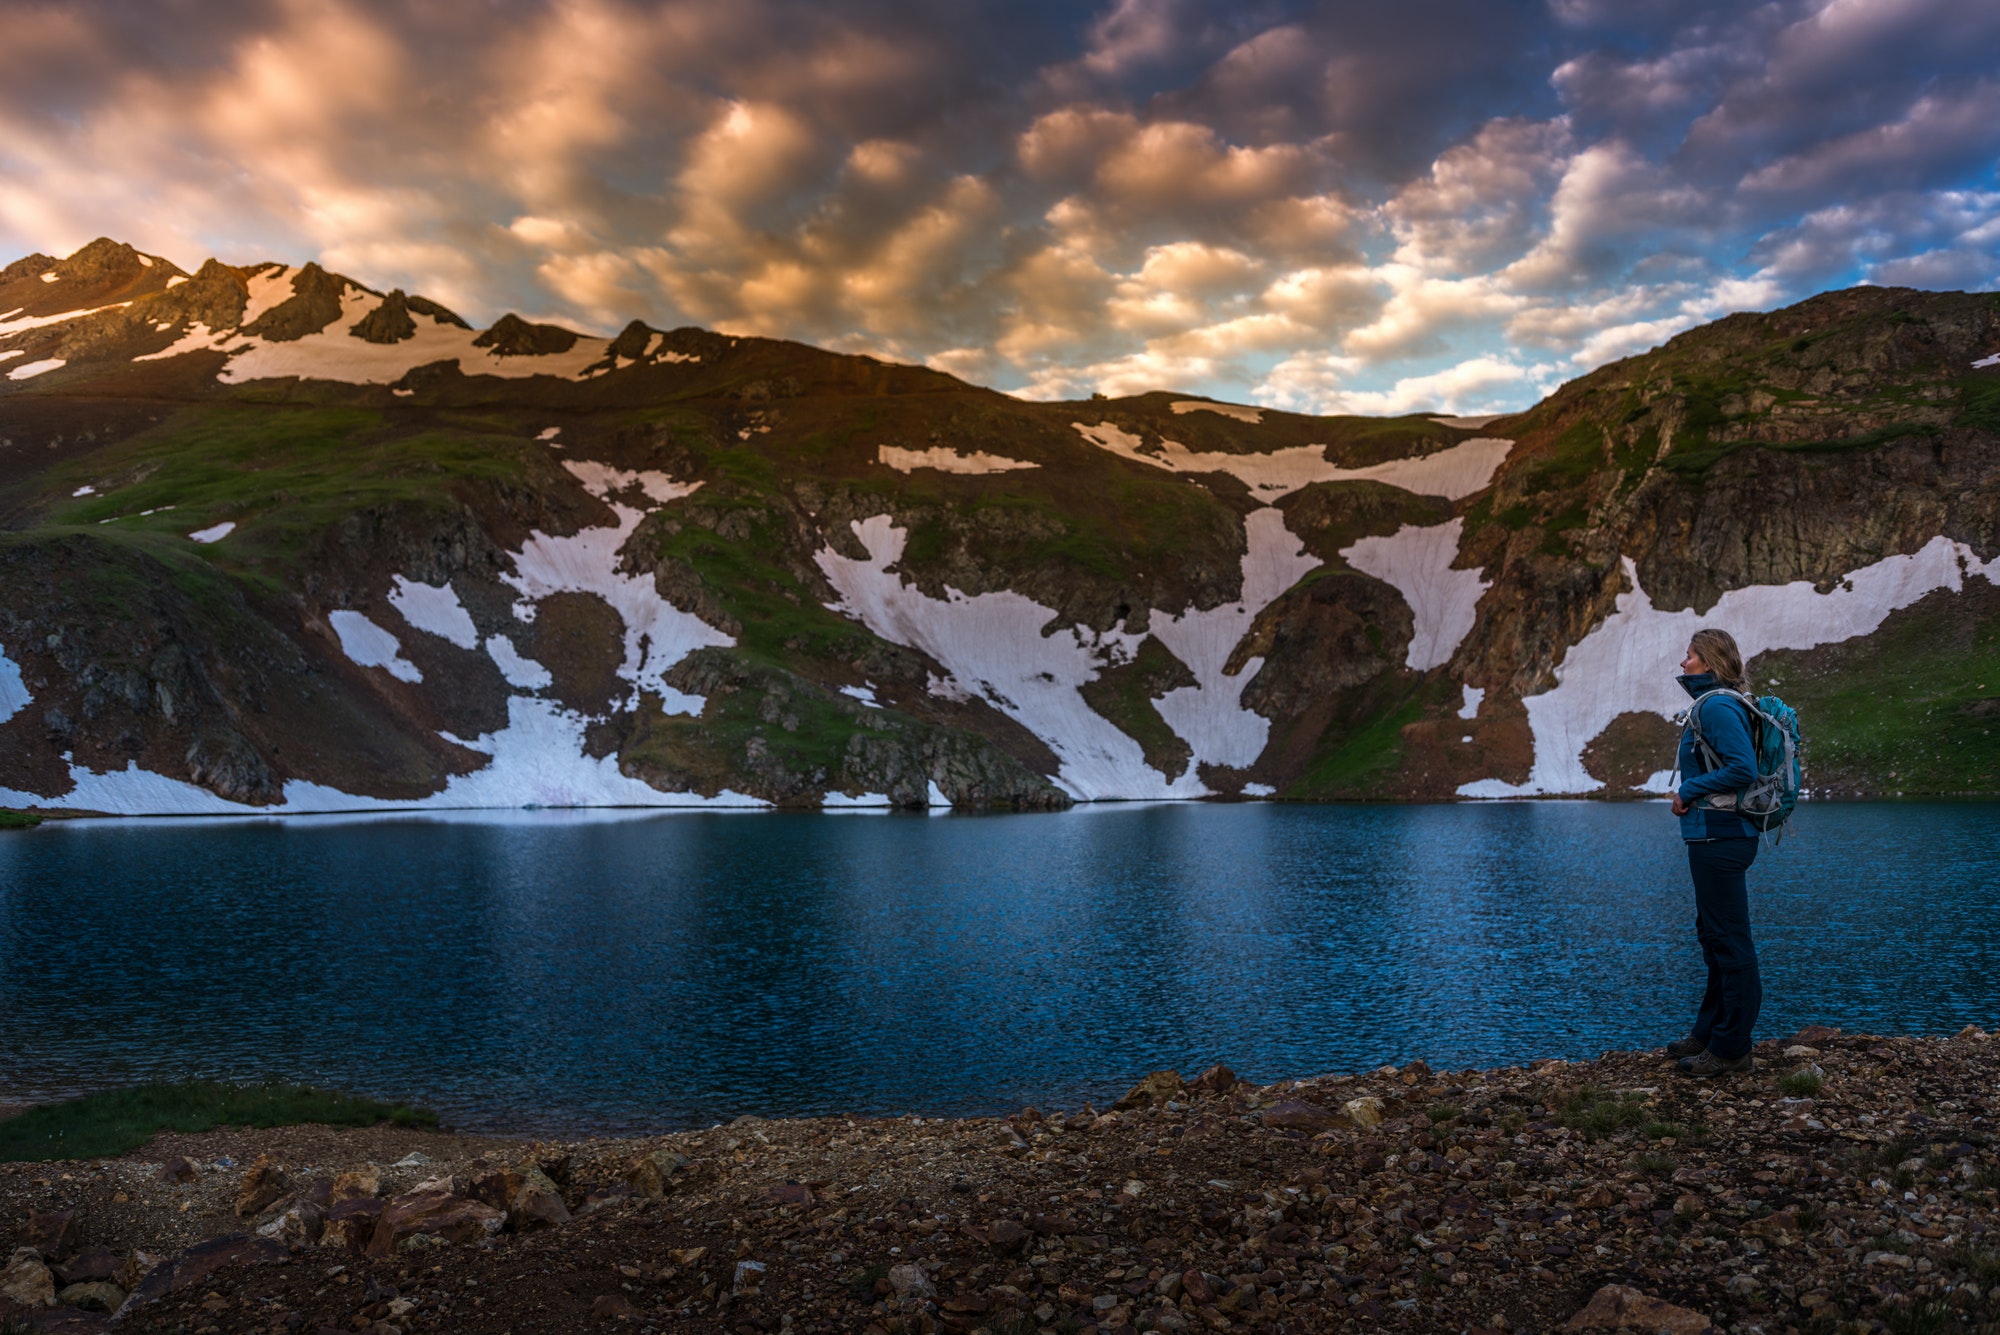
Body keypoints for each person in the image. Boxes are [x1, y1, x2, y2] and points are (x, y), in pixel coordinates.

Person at [1664, 628, 1762, 1077]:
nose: (1683, 663)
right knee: (1714, 937)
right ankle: (1709, 1033)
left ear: (1708, 661)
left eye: (1689, 656)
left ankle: (1731, 1049)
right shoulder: (1715, 702)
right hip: (1712, 835)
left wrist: (1689, 787)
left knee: (1729, 942)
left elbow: (1744, 768)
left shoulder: (1718, 704)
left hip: (1720, 837)